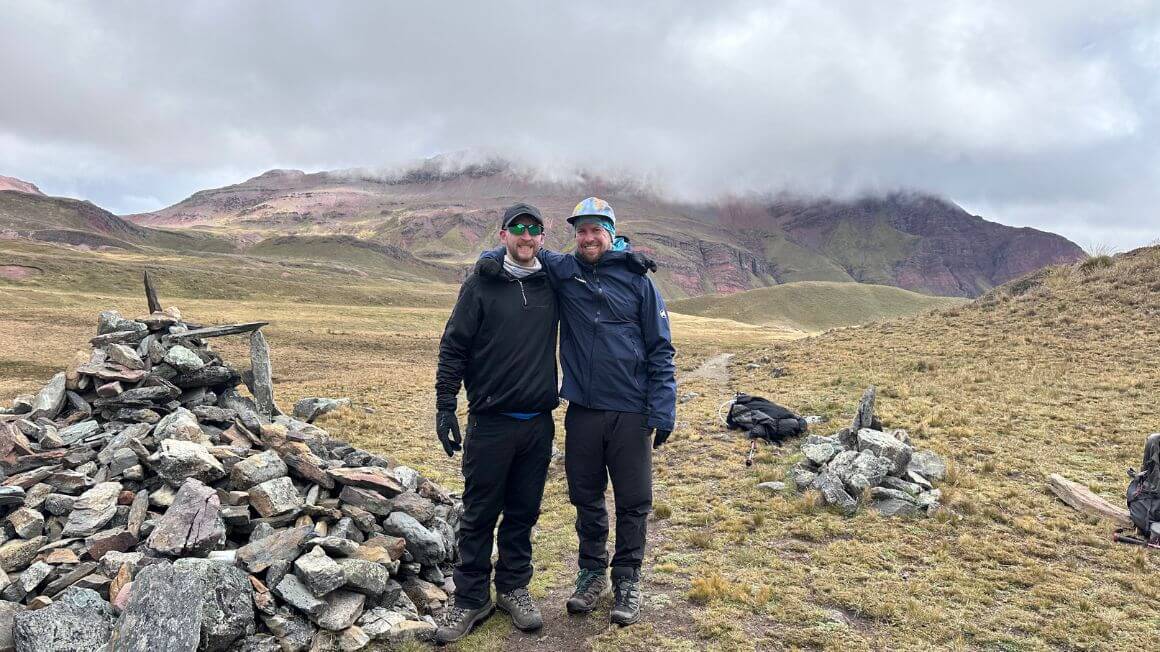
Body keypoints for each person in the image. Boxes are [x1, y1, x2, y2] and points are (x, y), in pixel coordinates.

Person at [478, 196, 677, 626]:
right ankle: (591, 574)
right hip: (583, 410)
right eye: (581, 230)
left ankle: (626, 578)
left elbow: (662, 348)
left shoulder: (639, 280)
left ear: (611, 232)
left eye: (596, 230)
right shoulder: (564, 271)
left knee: (633, 502)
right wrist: (487, 260)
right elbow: (520, 248)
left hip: (631, 411)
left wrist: (663, 409)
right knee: (585, 498)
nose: (588, 238)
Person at [433, 203, 558, 643]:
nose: (527, 236)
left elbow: (593, 264)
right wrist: (445, 405)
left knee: (524, 512)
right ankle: (470, 599)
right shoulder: (480, 284)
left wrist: (627, 257)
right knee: (480, 514)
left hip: (538, 424)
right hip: (490, 422)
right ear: (503, 234)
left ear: (543, 238)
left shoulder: (552, 281)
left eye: (535, 230)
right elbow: (454, 346)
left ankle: (513, 588)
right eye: (518, 229)